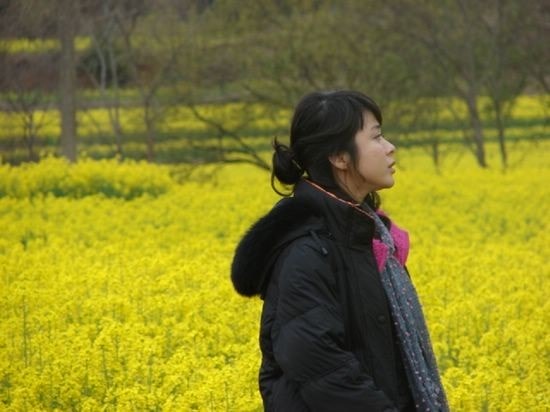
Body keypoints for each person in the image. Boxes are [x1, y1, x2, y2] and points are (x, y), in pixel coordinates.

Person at [231, 90, 448, 412]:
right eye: (376, 137)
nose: (390, 147)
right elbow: (324, 372)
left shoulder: (370, 239)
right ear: (339, 157)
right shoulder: (307, 251)